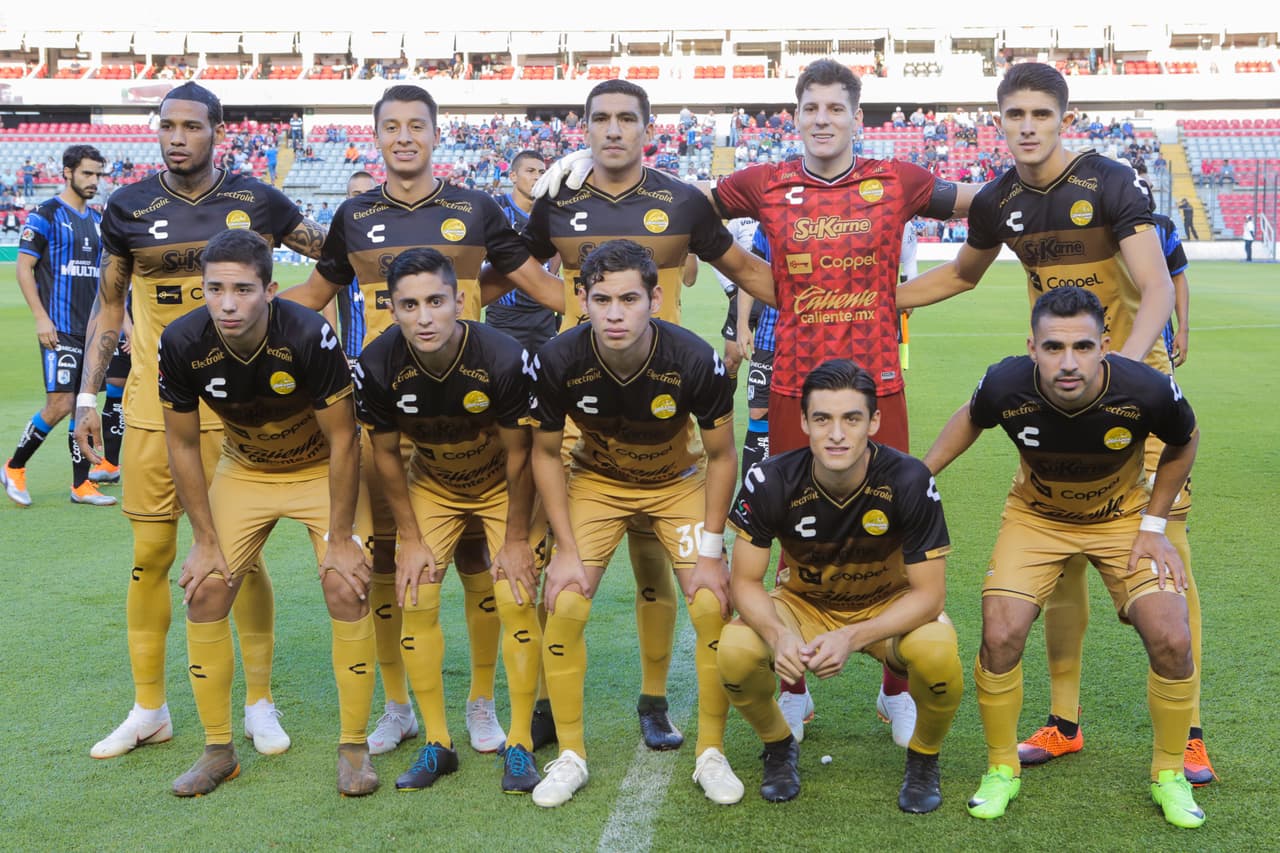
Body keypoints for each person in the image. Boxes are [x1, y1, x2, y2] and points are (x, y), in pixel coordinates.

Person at [896, 62, 1213, 786]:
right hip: (1058, 381)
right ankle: (1064, 720)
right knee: (1060, 541)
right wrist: (877, 298)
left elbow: (1157, 285)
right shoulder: (1001, 199)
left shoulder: (1107, 181)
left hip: (1128, 380)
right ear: (999, 121)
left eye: (1042, 113)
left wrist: (1122, 379)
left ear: (1063, 119)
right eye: (1016, 115)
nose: (1029, 126)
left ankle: (1190, 732)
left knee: (1166, 550)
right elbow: (960, 275)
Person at [283, 85, 561, 758]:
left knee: (475, 558)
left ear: (438, 135)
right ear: (375, 137)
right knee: (390, 563)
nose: (404, 136)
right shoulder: (353, 215)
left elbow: (537, 284)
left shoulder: (475, 207)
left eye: (416, 125)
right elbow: (314, 296)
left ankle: (482, 701)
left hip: (467, 414)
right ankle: (400, 705)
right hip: (385, 412)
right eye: (391, 127)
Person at [707, 59, 978, 743]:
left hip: (879, 386)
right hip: (799, 388)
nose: (822, 119)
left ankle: (895, 688)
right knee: (795, 533)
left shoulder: (898, 180)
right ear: (793, 116)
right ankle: (794, 682)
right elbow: (690, 211)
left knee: (891, 536)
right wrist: (603, 183)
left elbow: (989, 206)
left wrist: (1054, 186)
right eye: (810, 108)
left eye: (835, 108)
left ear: (858, 117)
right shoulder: (765, 183)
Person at [508, 78, 774, 755]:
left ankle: (654, 699)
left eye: (628, 118)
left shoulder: (683, 200)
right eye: (602, 119)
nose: (615, 130)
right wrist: (562, 304)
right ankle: (544, 700)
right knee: (555, 561)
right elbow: (508, 264)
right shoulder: (558, 200)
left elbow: (744, 268)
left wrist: (830, 306)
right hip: (578, 400)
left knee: (655, 565)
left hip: (667, 401)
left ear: (649, 128)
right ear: (586, 128)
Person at [73, 82, 328, 760]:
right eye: (167, 125)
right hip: (157, 409)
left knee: (239, 560)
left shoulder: (258, 201)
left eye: (191, 125)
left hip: (242, 411)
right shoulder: (128, 207)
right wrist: (88, 397)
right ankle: (149, 706)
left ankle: (259, 702)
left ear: (218, 132)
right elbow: (108, 308)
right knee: (151, 556)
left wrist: (294, 320)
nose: (177, 136)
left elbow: (332, 257)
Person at [923, 287, 1204, 828]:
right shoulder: (1006, 382)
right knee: (1000, 633)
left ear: (1105, 345)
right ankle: (1002, 768)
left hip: (1122, 518)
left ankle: (1169, 773)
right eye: (1053, 347)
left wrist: (1154, 524)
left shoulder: (1144, 388)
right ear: (1032, 346)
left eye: (1081, 346)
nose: (1068, 362)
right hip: (1038, 517)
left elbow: (1185, 439)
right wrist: (921, 474)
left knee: (1172, 636)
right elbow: (971, 416)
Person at [157, 229, 375, 797]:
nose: (228, 303)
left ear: (271, 290)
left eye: (244, 290)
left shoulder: (307, 332)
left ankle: (353, 747)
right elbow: (181, 445)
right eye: (215, 289)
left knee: (345, 586)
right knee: (205, 588)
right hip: (246, 471)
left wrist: (344, 536)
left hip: (319, 470)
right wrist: (204, 540)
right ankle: (218, 750)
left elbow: (345, 438)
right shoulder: (181, 341)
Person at [527, 239, 740, 807]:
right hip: (597, 482)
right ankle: (570, 754)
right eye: (601, 299)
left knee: (709, 601)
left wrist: (714, 550)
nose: (615, 313)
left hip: (678, 483)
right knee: (567, 598)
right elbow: (546, 455)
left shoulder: (694, 358)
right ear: (582, 300)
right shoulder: (557, 358)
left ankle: (710, 752)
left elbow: (722, 456)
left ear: (656, 297)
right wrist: (566, 550)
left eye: (629, 298)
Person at [719, 359, 960, 810]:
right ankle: (778, 746)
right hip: (804, 604)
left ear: (874, 421)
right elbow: (746, 581)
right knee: (734, 653)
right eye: (823, 419)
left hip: (887, 605)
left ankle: (924, 758)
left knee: (939, 652)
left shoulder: (909, 479)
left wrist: (852, 637)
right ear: (804, 422)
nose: (836, 434)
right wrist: (778, 634)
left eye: (851, 418)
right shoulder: (770, 479)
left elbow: (930, 595)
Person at [355, 248, 545, 794]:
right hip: (434, 485)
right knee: (415, 593)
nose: (424, 317)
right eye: (409, 305)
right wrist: (410, 538)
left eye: (436, 301)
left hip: (501, 488)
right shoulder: (377, 362)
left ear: (459, 302)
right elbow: (387, 455)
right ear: (391, 308)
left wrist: (512, 539)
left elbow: (521, 454)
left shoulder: (504, 357)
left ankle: (518, 742)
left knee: (515, 593)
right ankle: (438, 743)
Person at [3, 145, 119, 509]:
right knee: (60, 402)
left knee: (82, 406)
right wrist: (41, 317)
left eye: (98, 175)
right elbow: (24, 268)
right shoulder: (45, 215)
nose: (94, 181)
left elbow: (107, 281)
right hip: (59, 328)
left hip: (91, 331)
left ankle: (81, 484)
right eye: (87, 173)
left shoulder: (97, 220)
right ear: (67, 172)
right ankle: (14, 466)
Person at [486, 150, 559, 351]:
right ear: (513, 176)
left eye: (542, 172)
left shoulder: (552, 213)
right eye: (530, 171)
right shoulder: (495, 209)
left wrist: (549, 275)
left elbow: (558, 249)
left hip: (543, 313)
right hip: (504, 315)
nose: (537, 176)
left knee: (544, 377)